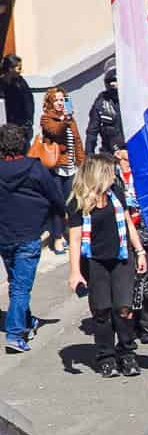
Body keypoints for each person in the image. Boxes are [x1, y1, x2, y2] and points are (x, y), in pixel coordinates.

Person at [64, 155, 147, 377]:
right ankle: (106, 356)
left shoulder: (116, 194)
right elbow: (74, 239)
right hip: (94, 261)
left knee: (124, 308)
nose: (114, 176)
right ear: (99, 174)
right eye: (111, 172)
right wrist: (74, 272)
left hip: (121, 257)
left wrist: (139, 251)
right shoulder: (77, 202)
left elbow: (129, 223)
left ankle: (127, 353)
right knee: (101, 311)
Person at [0, 123, 65, 353]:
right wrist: (58, 220)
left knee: (16, 282)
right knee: (21, 287)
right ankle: (15, 334)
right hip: (29, 234)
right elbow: (56, 197)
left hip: (5, 236)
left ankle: (26, 321)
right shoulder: (35, 169)